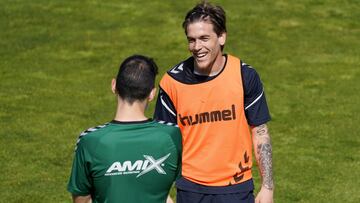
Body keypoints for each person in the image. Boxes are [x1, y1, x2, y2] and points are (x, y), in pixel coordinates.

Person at [154, 1, 274, 203]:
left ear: (221, 37)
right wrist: (163, 194)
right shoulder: (172, 82)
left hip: (236, 188)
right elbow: (161, 142)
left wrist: (268, 187)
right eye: (191, 40)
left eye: (204, 38)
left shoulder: (245, 75)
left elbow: (260, 132)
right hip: (190, 189)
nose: (197, 47)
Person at [67, 55, 182, 203]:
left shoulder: (91, 140)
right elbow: (164, 190)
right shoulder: (172, 135)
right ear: (152, 93)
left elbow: (81, 199)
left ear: (114, 85)